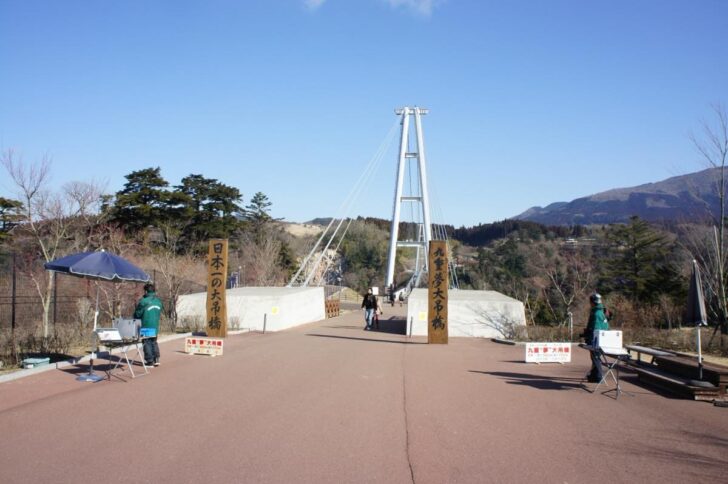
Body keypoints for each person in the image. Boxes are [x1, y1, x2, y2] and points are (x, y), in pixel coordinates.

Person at [134, 283, 164, 367]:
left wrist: (135, 316)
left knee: (146, 342)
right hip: (155, 325)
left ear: (146, 291)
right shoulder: (158, 301)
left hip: (146, 325)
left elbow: (138, 314)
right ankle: (156, 359)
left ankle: (150, 361)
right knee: (154, 342)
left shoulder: (144, 301)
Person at [584, 292, 609, 383]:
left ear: (593, 302)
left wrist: (588, 336)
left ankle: (598, 377)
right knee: (595, 357)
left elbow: (596, 329)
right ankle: (594, 376)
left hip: (596, 340)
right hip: (602, 339)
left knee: (596, 357)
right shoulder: (601, 311)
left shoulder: (596, 313)